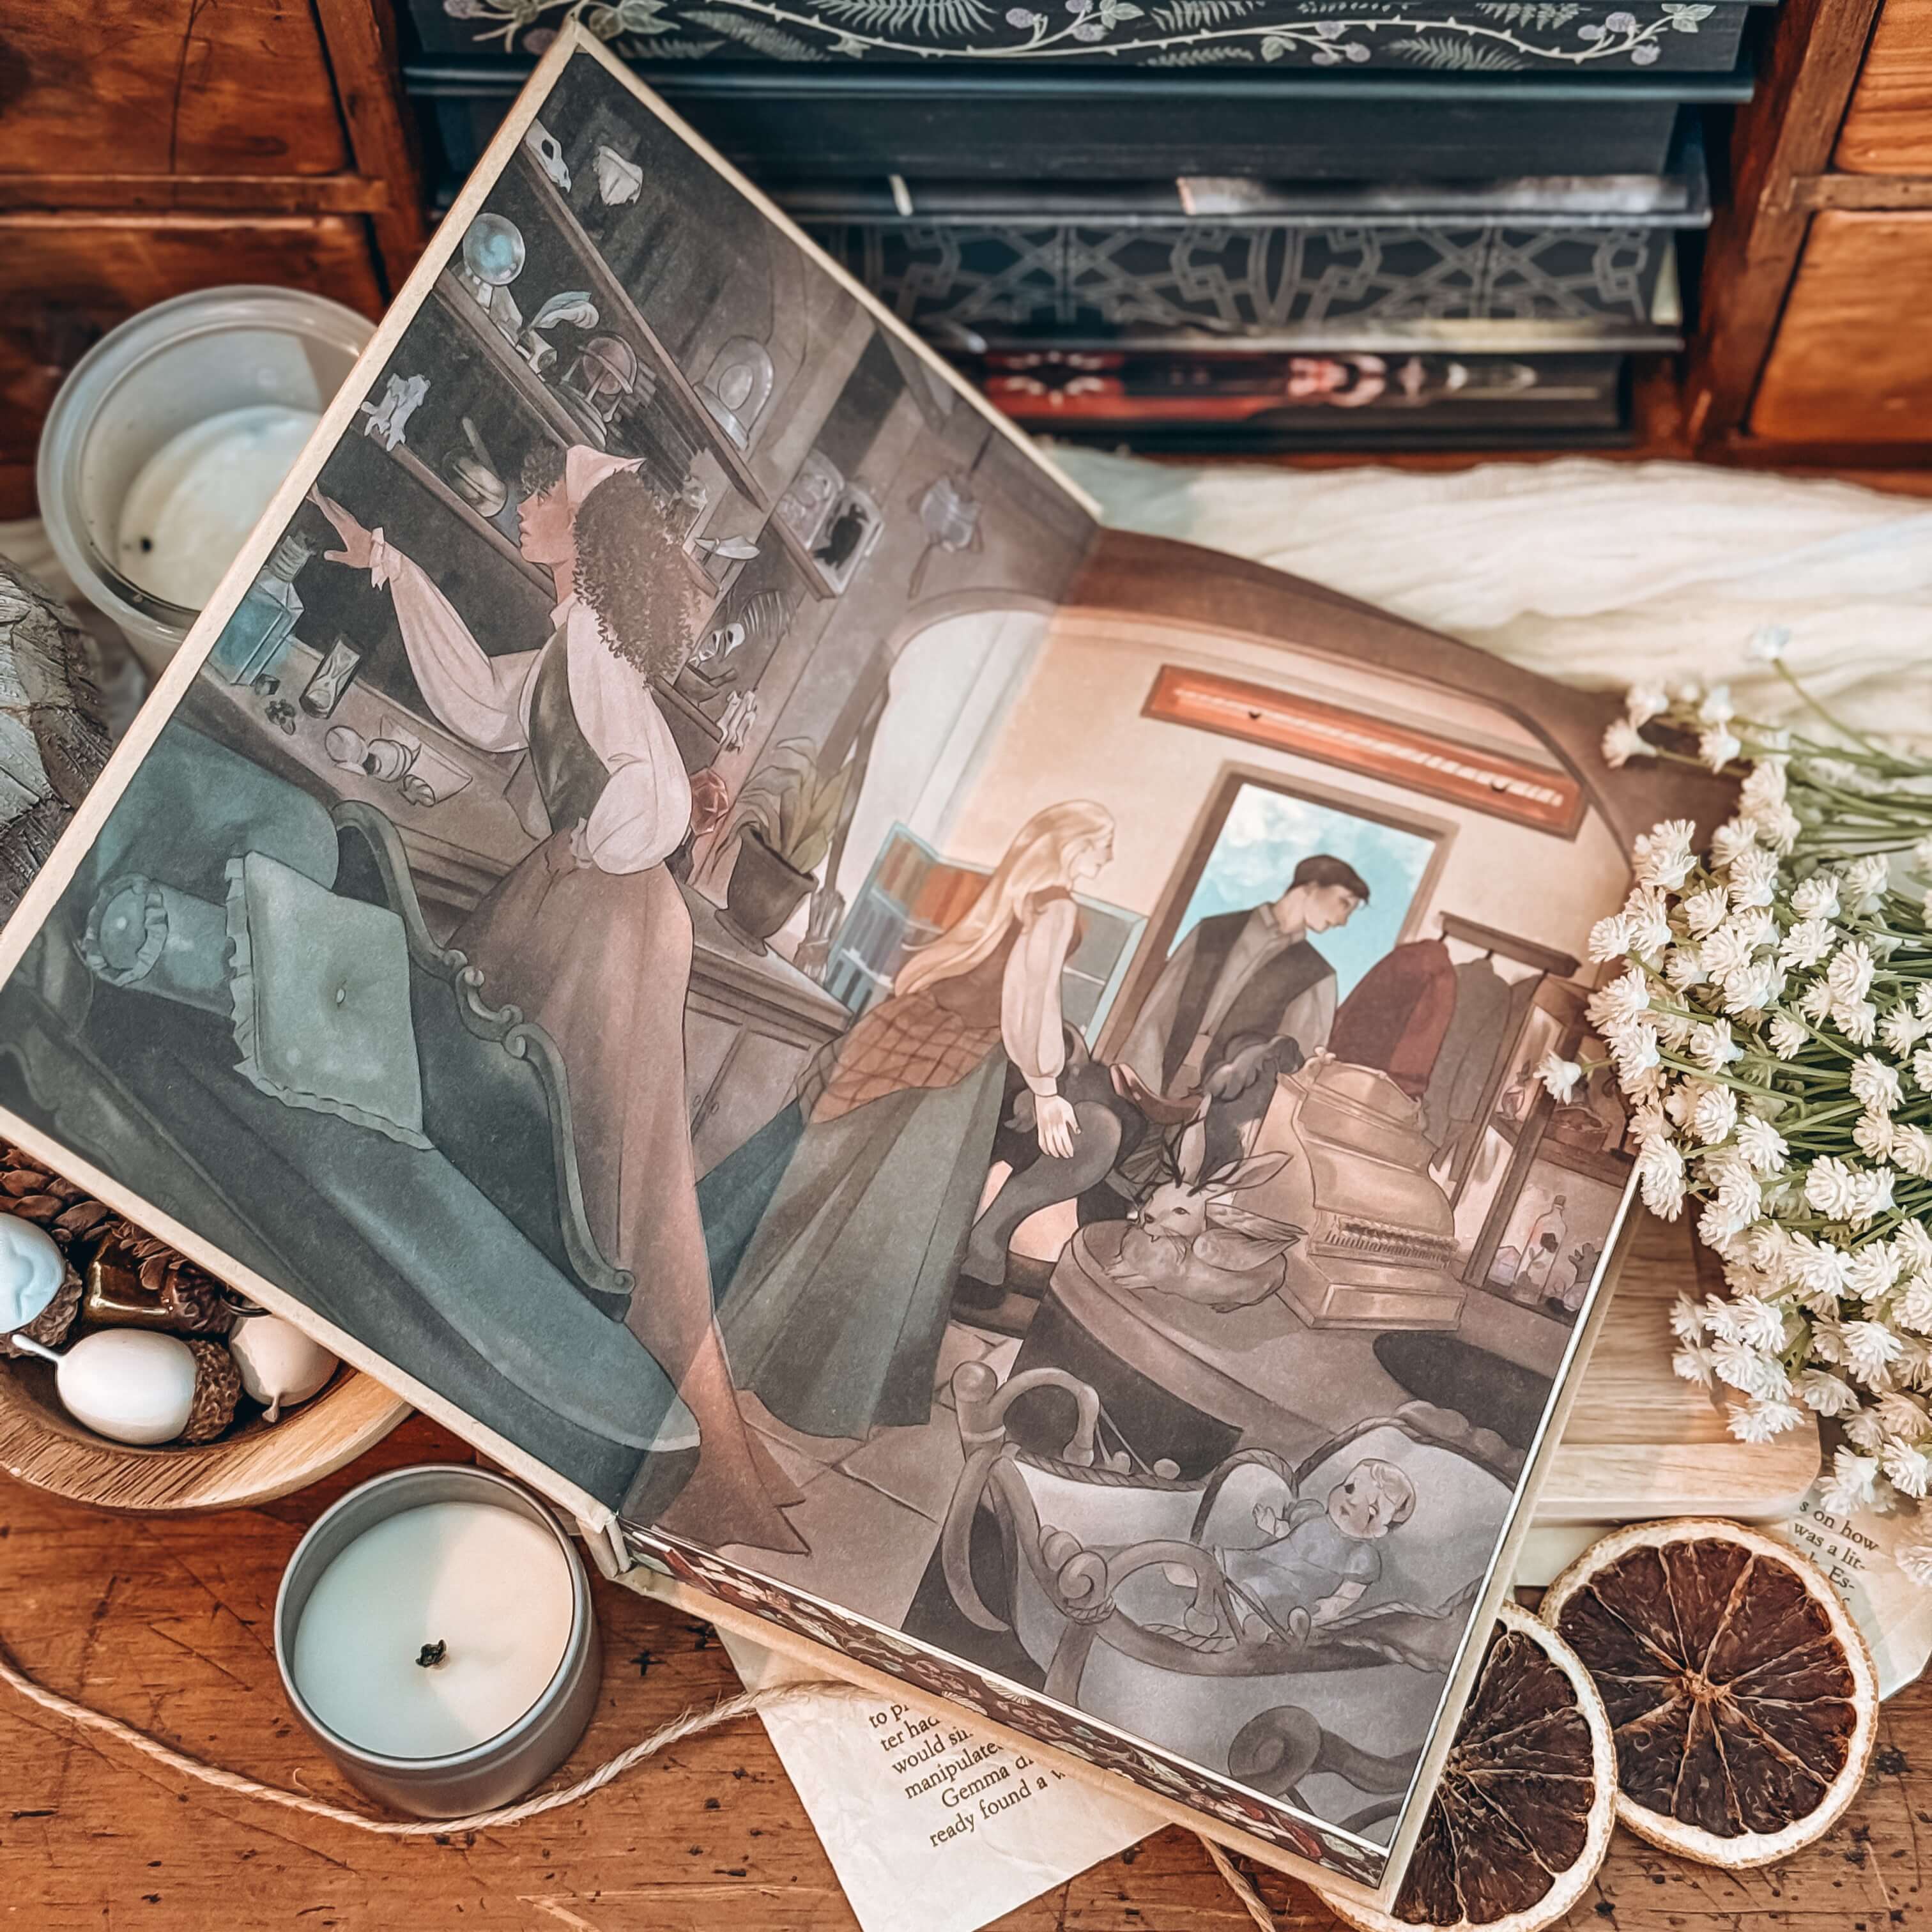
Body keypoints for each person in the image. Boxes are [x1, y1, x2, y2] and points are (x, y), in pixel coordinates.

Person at [308, 445, 804, 1556]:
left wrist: (585, 848)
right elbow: (487, 707)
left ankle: (646, 1430)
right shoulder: (580, 635)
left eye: (544, 496)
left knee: (598, 1151)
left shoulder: (593, 643)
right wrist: (391, 564)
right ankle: (671, 1430)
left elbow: (655, 797)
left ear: (588, 531)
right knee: (597, 1147)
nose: (526, 507)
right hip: (610, 903)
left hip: (609, 911)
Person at [700, 801, 1116, 1440]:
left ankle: (718, 1314)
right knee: (890, 1218)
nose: (1106, 858)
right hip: (956, 1065)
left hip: (913, 1031)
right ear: (1071, 845)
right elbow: (1028, 999)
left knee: (822, 1179)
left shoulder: (1015, 888)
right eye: (1101, 844)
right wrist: (1045, 1087)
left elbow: (967, 969)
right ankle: (812, 1380)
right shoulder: (1058, 906)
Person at [1117, 854, 1368, 1104]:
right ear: (1311, 887)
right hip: (1158, 1079)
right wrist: (1135, 1087)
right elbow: (1157, 1014)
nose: (1343, 921)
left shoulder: (1318, 975)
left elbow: (1298, 1068)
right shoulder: (1212, 932)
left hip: (1234, 1106)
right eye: (1344, 903)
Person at [1219, 1459, 1415, 1643]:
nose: (1353, 1502)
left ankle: (1254, 1625)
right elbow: (1293, 1534)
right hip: (1267, 1560)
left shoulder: (1362, 1556)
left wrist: (1331, 1606)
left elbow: (1348, 1595)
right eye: (1350, 1488)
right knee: (1227, 1564)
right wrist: (1272, 1525)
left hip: (1293, 1587)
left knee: (1263, 1592)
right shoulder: (1313, 1514)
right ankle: (1212, 1585)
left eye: (1372, 1510)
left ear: (1380, 1531)